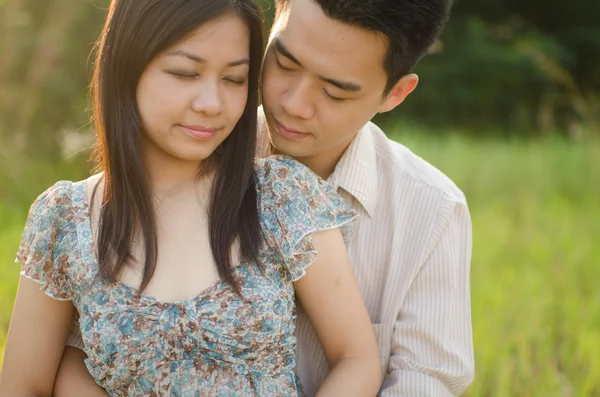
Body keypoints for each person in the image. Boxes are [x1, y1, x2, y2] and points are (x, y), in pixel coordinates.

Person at [55, 0, 476, 395]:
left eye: (335, 92)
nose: (293, 104)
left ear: (395, 94)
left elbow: (423, 382)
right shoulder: (188, 145)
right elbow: (86, 341)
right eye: (285, 63)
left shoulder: (431, 210)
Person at [0, 0, 382, 396]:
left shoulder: (281, 196)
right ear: (127, 66)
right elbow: (24, 386)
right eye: (185, 73)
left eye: (233, 79)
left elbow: (356, 359)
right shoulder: (66, 219)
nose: (211, 104)